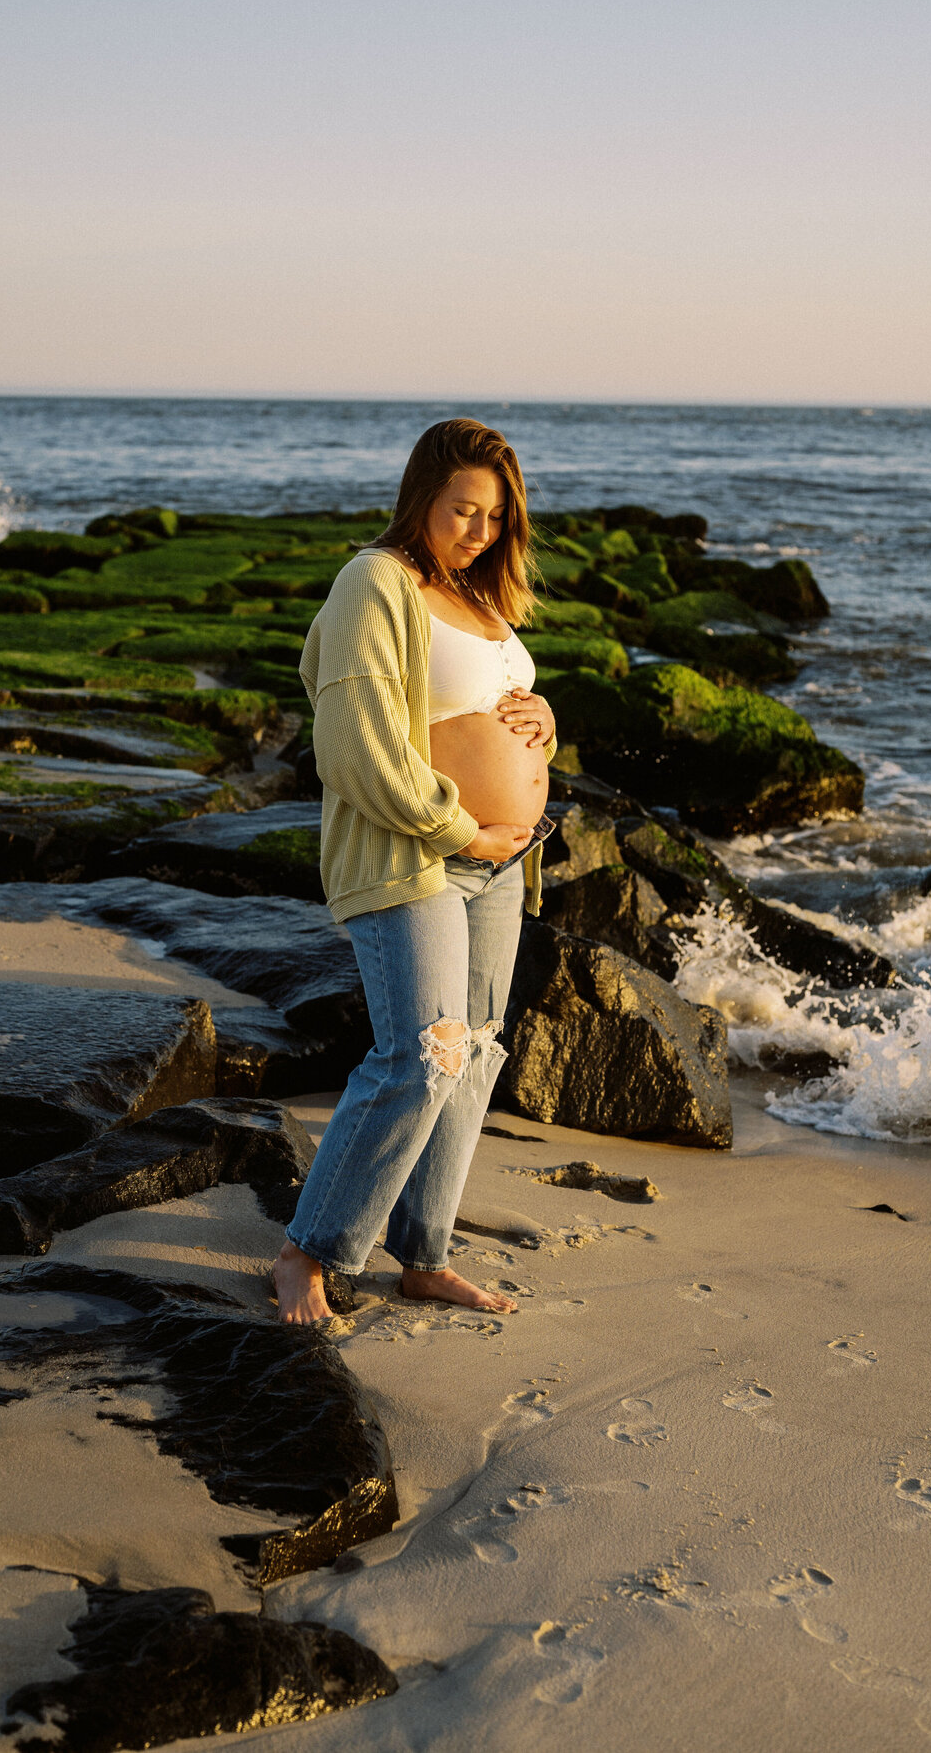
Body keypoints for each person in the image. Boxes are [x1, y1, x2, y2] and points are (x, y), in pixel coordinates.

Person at [273, 418, 557, 1324]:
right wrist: (454, 824)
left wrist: (543, 721)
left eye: (494, 516)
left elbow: (481, 703)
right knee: (421, 1058)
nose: (478, 530)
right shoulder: (376, 582)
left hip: (503, 863)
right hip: (419, 853)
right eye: (463, 509)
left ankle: (424, 1256)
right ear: (423, 498)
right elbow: (352, 742)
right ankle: (307, 1251)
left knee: (473, 1056)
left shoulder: (479, 596)